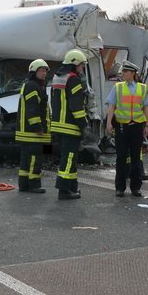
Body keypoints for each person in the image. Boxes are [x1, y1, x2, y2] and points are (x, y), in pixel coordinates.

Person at [106, 60, 148, 198]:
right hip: (121, 126)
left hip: (137, 126)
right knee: (121, 157)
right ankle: (120, 188)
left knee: (136, 158)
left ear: (132, 73)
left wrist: (147, 125)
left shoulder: (142, 88)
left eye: (125, 71)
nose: (123, 73)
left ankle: (135, 188)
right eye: (123, 71)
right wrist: (109, 123)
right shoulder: (117, 87)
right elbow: (112, 106)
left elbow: (145, 107)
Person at [50, 49, 88, 201]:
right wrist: (84, 125)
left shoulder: (58, 77)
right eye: (82, 65)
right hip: (70, 126)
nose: (82, 68)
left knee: (69, 158)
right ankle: (64, 190)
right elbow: (76, 106)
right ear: (75, 64)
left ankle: (71, 188)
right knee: (69, 158)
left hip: (58, 125)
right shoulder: (74, 80)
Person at [15, 59, 51, 194]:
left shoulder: (32, 85)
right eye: (41, 71)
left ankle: (24, 185)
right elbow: (32, 109)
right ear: (34, 72)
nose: (43, 73)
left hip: (27, 132)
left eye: (45, 71)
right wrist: (38, 127)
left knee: (26, 159)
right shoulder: (33, 86)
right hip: (32, 133)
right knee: (35, 159)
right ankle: (34, 184)